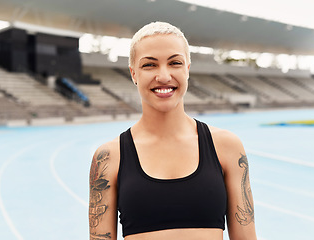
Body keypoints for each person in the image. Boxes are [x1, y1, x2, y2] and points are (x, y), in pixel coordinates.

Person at [89, 21, 257, 240]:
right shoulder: (109, 158)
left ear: (187, 69)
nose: (164, 76)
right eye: (149, 65)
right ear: (133, 74)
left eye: (175, 63)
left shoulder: (226, 147)